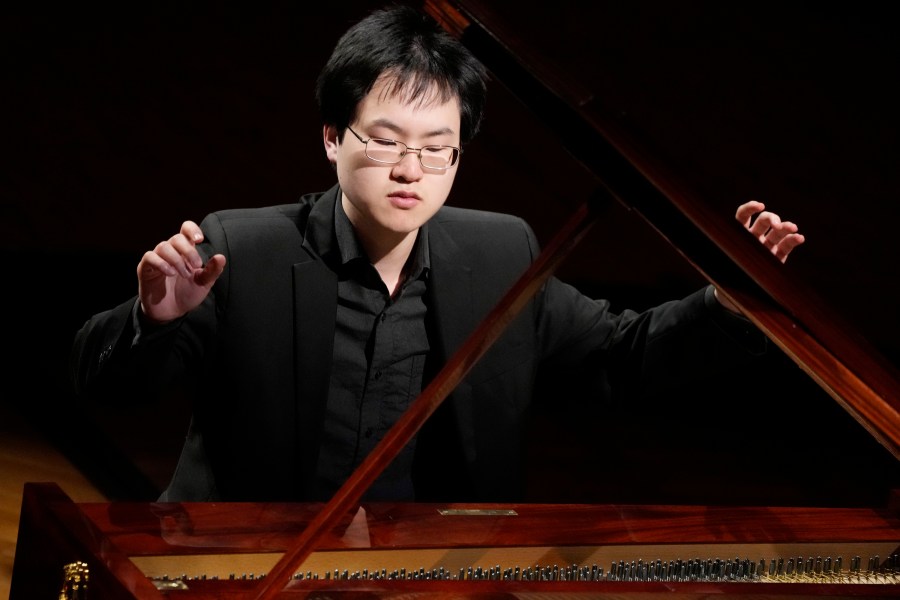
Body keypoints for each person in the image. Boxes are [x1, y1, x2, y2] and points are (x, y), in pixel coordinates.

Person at [70, 5, 805, 503]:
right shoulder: (243, 247)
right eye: (385, 141)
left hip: (426, 572)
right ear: (332, 137)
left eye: (436, 149)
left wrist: (732, 301)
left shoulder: (497, 253)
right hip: (248, 569)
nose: (409, 170)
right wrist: (153, 320)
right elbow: (107, 388)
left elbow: (619, 356)